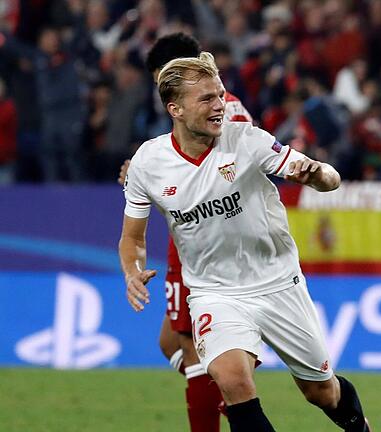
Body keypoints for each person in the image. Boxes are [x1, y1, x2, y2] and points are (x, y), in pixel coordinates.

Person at [119, 52, 370, 432]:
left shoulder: (246, 140)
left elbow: (331, 178)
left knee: (321, 393)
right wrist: (132, 271)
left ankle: (358, 426)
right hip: (214, 292)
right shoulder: (147, 163)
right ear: (176, 109)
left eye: (219, 95)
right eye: (206, 98)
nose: (219, 105)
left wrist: (317, 174)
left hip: (277, 283)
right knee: (232, 379)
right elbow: (132, 237)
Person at [116, 32, 253, 432]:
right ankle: (228, 400)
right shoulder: (191, 114)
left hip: (215, 244)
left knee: (194, 349)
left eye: (168, 79)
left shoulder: (226, 113)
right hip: (192, 240)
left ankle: (229, 402)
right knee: (170, 343)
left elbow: (229, 178)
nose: (164, 92)